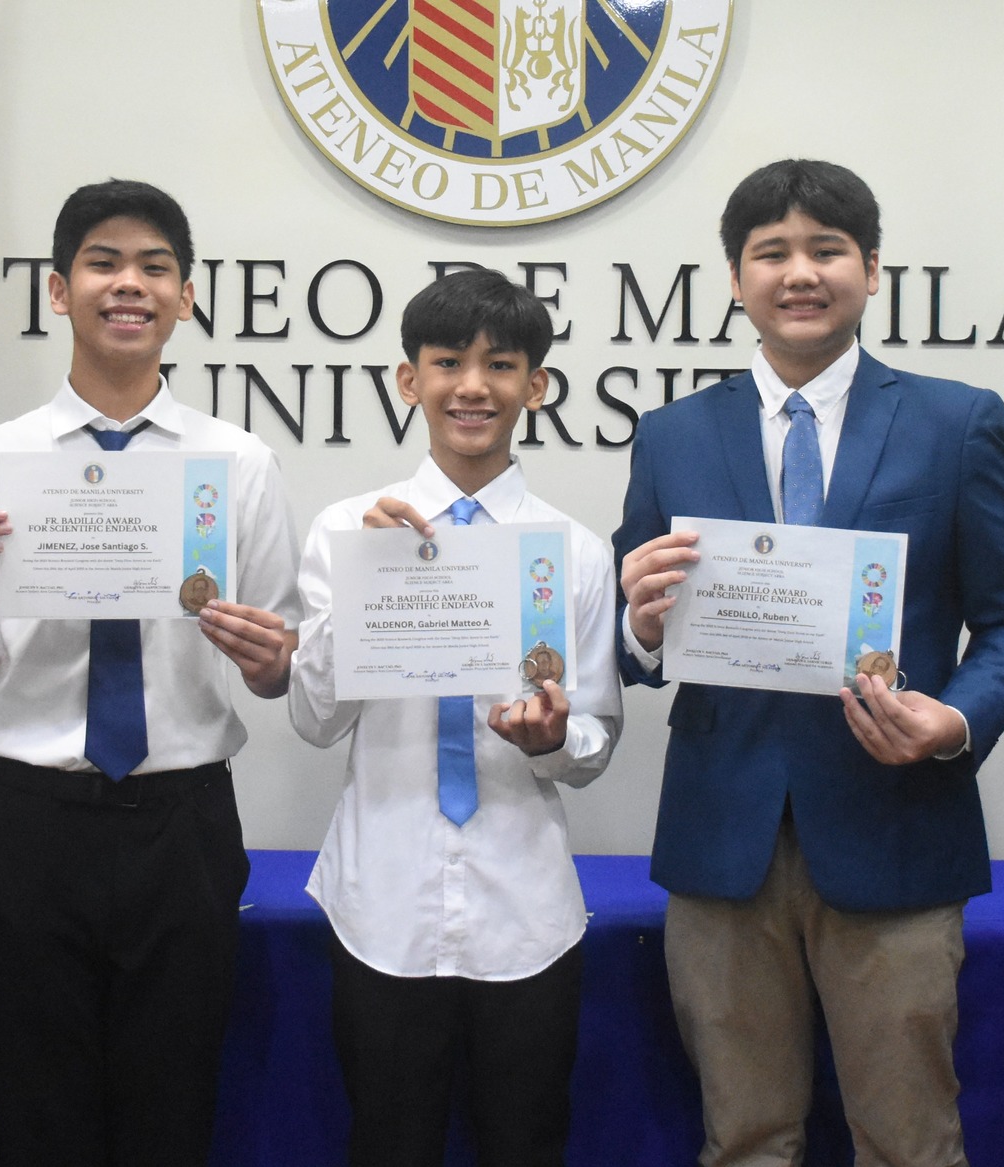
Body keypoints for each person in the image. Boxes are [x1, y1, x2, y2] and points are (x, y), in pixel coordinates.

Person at [614, 159, 1004, 1166]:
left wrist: (954, 720)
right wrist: (637, 627)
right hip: (721, 840)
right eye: (770, 252)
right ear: (735, 279)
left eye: (824, 249)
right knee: (742, 1137)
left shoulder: (955, 423)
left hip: (894, 828)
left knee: (906, 1139)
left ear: (870, 270)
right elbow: (629, 636)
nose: (798, 272)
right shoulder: (672, 435)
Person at [0, 178, 301, 1166]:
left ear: (185, 296)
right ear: (57, 290)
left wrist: (272, 658)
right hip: (29, 820)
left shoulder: (236, 464)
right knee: (36, 1112)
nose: (128, 284)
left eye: (154, 267)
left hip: (182, 823)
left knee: (172, 1109)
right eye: (103, 262)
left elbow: (276, 665)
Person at [289, 269, 623, 1166]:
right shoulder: (342, 533)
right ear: (409, 380)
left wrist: (556, 741)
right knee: (387, 1142)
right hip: (382, 901)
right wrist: (371, 580)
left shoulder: (576, 554)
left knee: (526, 1143)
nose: (473, 386)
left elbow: (594, 738)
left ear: (536, 386)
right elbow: (314, 718)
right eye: (447, 363)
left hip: (527, 911)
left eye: (501, 365)